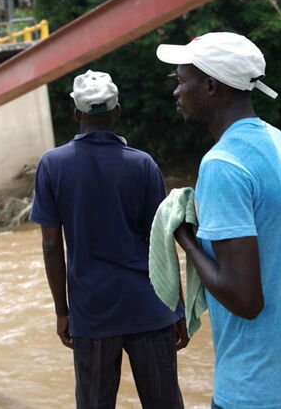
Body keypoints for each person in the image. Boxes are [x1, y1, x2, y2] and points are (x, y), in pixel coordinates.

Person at [157, 31, 281, 409]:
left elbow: (245, 300)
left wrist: (185, 238)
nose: (176, 92)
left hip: (257, 388)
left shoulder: (222, 165)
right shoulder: (279, 143)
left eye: (182, 81)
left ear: (212, 86)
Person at [30, 70, 186, 409]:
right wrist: (178, 307)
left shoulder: (52, 165)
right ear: (117, 111)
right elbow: (162, 239)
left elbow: (51, 246)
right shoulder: (143, 165)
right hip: (151, 306)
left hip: (93, 311)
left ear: (76, 114)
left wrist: (62, 310)